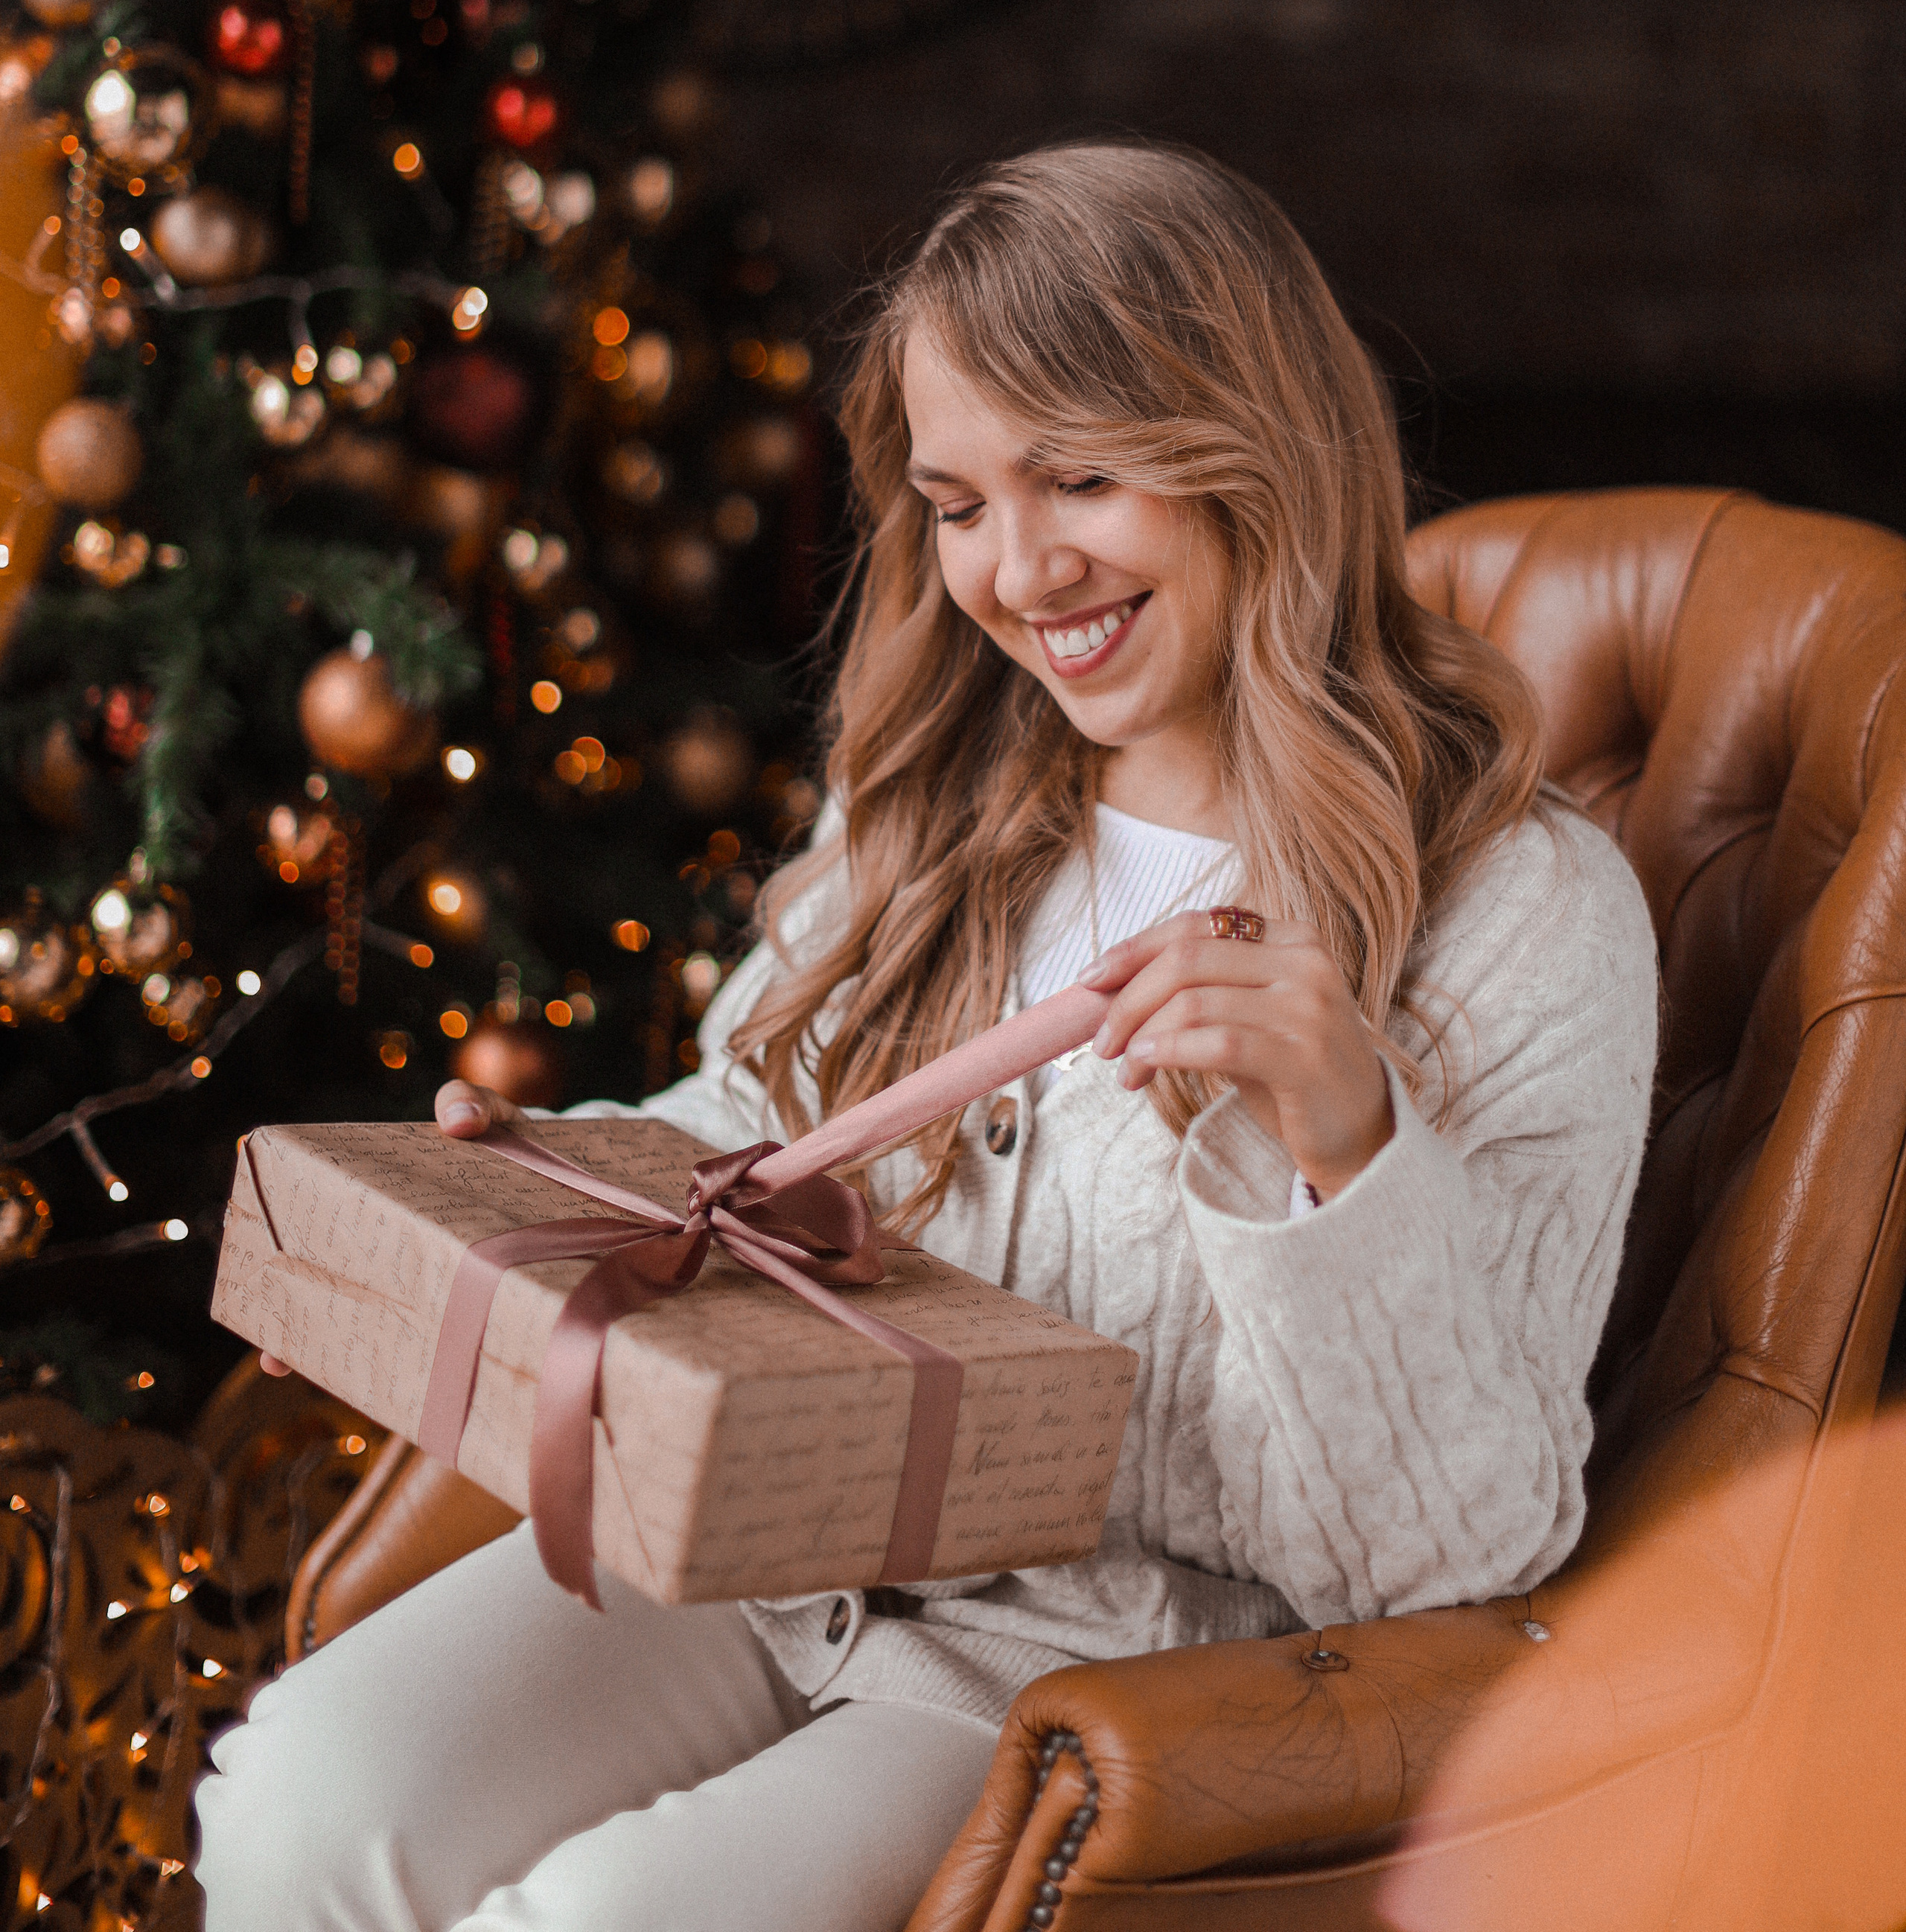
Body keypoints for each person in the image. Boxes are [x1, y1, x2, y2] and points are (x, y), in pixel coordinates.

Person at [195, 141, 1658, 1932]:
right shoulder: (944, 802)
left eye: (1080, 479)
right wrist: (521, 1209)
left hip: (1082, 1667)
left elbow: (1458, 1559)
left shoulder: (1519, 912)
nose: (1018, 569)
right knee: (300, 1800)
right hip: (768, 1550)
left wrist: (1342, 1142)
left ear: (1254, 451)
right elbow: (750, 1115)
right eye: (957, 502)